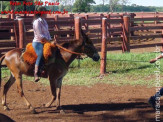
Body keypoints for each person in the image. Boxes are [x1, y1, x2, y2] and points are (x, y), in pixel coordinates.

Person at [32, 6, 52, 82]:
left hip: (46, 41)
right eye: (45, 11)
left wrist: (51, 40)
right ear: (41, 13)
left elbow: (47, 32)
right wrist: (49, 41)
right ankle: (36, 72)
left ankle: (48, 69)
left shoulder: (44, 21)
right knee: (40, 54)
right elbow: (40, 36)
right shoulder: (37, 22)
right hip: (38, 42)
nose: (46, 13)